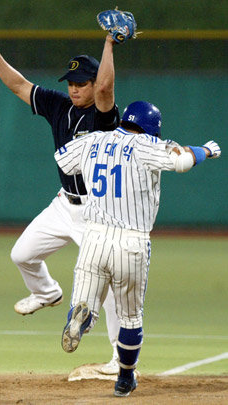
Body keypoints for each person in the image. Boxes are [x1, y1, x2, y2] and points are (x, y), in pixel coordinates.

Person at [0, 28, 122, 373]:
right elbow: (19, 85)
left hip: (97, 213)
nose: (74, 87)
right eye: (71, 81)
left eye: (81, 82)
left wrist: (110, 43)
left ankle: (118, 358)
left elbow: (105, 88)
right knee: (22, 254)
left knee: (109, 285)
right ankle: (47, 293)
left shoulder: (103, 113)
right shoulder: (59, 105)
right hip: (63, 204)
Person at [54, 100, 221, 397]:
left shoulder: (95, 138)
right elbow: (182, 161)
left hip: (93, 235)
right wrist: (206, 150)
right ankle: (124, 378)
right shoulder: (147, 145)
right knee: (130, 316)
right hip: (130, 241)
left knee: (86, 299)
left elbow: (63, 159)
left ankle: (81, 317)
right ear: (151, 128)